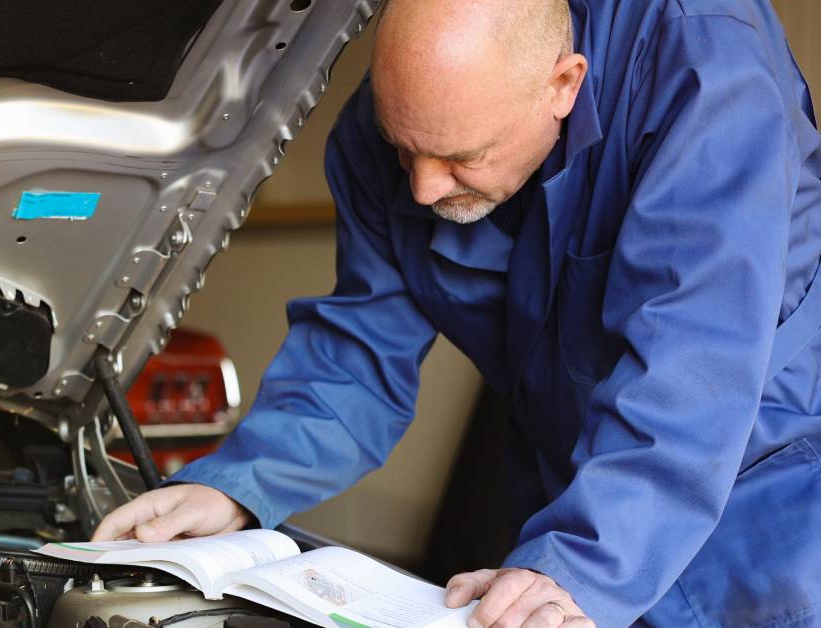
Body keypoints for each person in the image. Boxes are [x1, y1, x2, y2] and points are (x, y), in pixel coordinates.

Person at [95, 0, 821, 625]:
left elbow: (693, 373)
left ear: (563, 86)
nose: (420, 188)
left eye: (459, 158)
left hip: (761, 516)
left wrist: (577, 566)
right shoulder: (395, 136)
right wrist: (232, 488)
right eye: (404, 150)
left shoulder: (707, 78)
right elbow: (359, 351)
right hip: (574, 507)